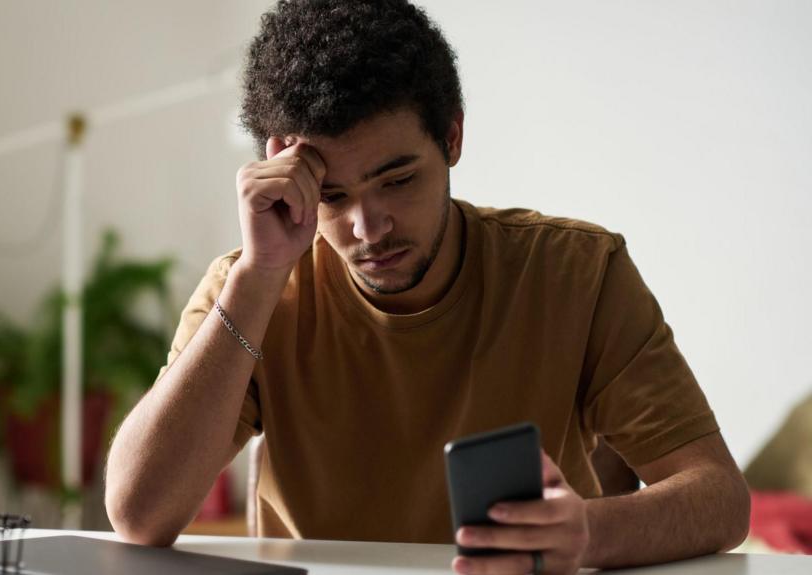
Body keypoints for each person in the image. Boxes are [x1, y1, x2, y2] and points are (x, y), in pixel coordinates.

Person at [104, 1, 750, 573]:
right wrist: (259, 274)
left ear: (453, 138)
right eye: (332, 195)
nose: (367, 226)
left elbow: (720, 498)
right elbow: (137, 514)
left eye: (397, 179)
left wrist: (588, 532)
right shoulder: (254, 285)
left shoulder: (577, 272)